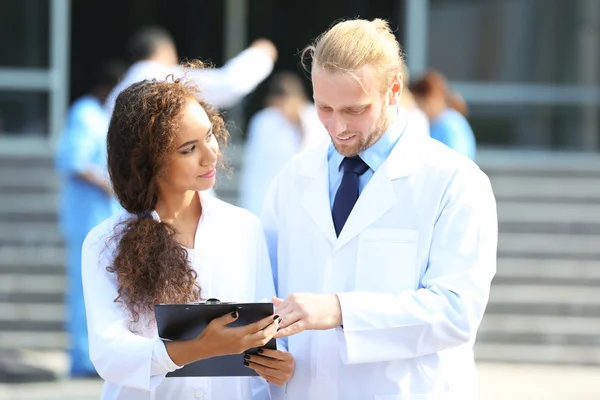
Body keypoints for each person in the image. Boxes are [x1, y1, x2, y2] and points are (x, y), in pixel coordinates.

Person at [261, 19, 497, 399]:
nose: (337, 127)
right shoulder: (293, 178)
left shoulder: (455, 181)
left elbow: (456, 312)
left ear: (394, 91)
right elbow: (265, 291)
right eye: (323, 107)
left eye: (355, 110)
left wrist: (340, 311)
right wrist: (275, 352)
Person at [81, 69, 294, 399]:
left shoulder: (244, 228)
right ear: (148, 162)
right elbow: (110, 355)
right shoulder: (105, 241)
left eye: (209, 135)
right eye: (188, 149)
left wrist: (278, 369)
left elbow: (263, 340)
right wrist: (196, 349)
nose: (211, 155)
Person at [54, 60, 125, 378]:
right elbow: (74, 161)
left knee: (105, 290)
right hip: (86, 218)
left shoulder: (104, 116)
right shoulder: (85, 113)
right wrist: (112, 184)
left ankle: (98, 356)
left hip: (105, 218)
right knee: (85, 290)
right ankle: (83, 360)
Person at [105, 26, 278, 116]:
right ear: (166, 50)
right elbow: (230, 84)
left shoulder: (114, 96)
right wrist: (261, 54)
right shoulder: (167, 78)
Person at [239, 71, 326, 215]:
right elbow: (255, 165)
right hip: (266, 194)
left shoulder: (314, 117)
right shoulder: (265, 121)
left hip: (308, 195)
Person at [410, 69, 477, 160]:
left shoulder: (447, 126)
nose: (417, 109)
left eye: (419, 103)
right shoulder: (443, 122)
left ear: (431, 98)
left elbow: (453, 162)